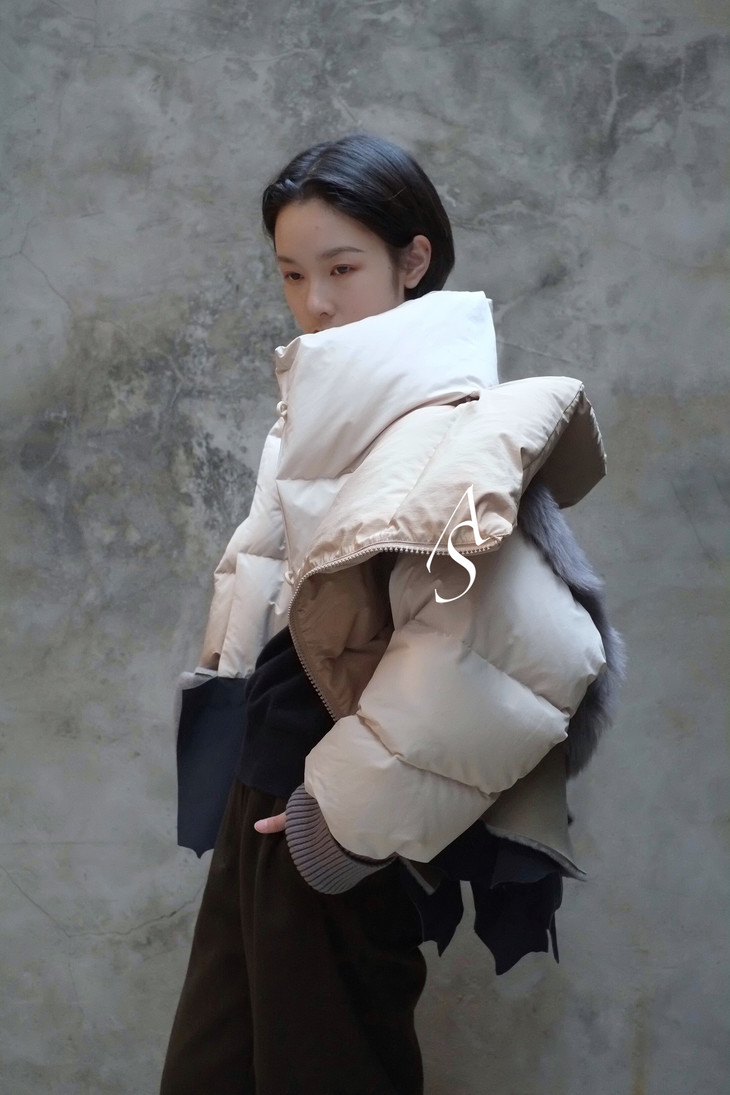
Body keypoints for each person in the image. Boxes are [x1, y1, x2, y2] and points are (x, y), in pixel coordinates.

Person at [160, 134, 623, 1095]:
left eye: (342, 268)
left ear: (412, 260)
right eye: (293, 274)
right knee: (215, 1072)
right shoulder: (315, 418)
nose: (316, 303)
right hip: (264, 795)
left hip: (327, 821)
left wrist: (337, 821)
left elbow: (535, 646)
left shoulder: (457, 426)